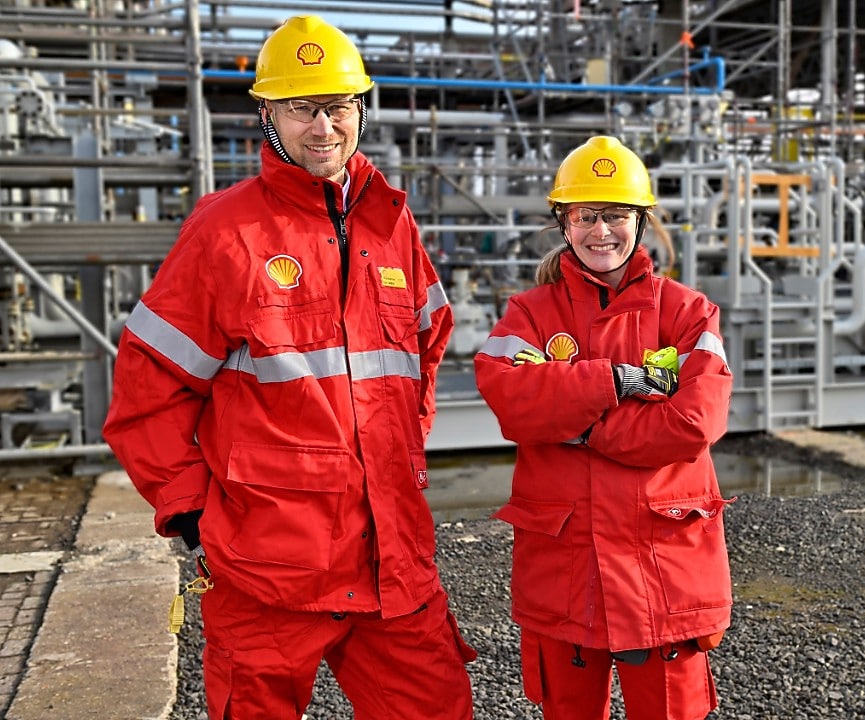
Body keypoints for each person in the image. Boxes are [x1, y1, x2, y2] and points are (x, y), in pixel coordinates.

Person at [102, 15, 475, 720]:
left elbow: (423, 351)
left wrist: (397, 455)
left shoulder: (394, 223)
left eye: (337, 107)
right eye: (304, 109)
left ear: (360, 108)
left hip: (393, 560)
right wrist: (188, 510)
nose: (324, 128)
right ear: (267, 113)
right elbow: (149, 389)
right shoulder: (224, 231)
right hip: (267, 566)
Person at [473, 135, 735, 720]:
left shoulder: (689, 313)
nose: (601, 232)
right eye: (585, 215)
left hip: (666, 574)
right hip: (569, 573)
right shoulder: (528, 315)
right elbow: (513, 404)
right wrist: (615, 384)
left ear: (640, 221)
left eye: (615, 215)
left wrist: (579, 425)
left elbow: (695, 422)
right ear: (563, 222)